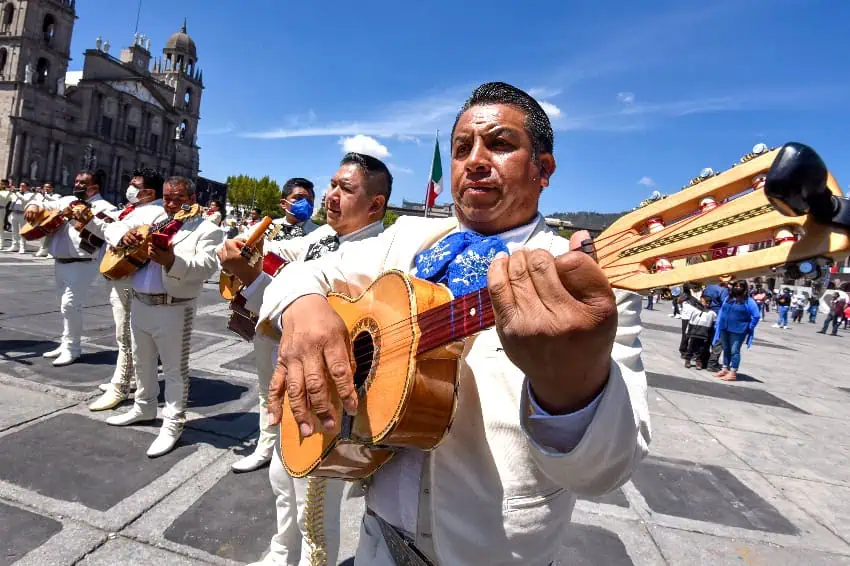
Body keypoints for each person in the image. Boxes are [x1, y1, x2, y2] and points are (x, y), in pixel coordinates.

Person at [259, 81, 650, 566]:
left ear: (543, 169)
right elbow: (301, 271)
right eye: (462, 148)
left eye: (501, 144)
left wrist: (574, 387)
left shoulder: (586, 281)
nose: (475, 160)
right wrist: (304, 309)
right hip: (376, 538)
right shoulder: (410, 238)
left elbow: (608, 470)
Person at [220, 154, 391, 566]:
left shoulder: (375, 253)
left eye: (345, 189)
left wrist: (253, 277)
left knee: (314, 502)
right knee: (282, 477)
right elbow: (280, 253)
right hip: (295, 378)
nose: (330, 196)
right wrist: (245, 250)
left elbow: (319, 314)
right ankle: (281, 553)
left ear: (375, 206)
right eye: (331, 185)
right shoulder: (321, 239)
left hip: (329, 393)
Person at [105, 177, 224, 457]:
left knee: (174, 371)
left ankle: (173, 424)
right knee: (141, 362)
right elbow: (114, 224)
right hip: (140, 302)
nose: (171, 204)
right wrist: (124, 237)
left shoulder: (207, 229)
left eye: (178, 198)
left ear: (192, 199)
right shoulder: (154, 216)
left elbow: (206, 267)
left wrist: (171, 261)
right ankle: (143, 407)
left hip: (174, 307)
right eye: (167, 197)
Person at [87, 169, 166, 411]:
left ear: (149, 192)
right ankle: (128, 378)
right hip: (123, 275)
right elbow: (111, 231)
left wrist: (118, 232)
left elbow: (127, 235)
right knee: (125, 334)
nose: (130, 188)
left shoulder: (156, 212)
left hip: (132, 279)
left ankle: (120, 386)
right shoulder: (133, 211)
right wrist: (89, 222)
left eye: (135, 184)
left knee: (126, 335)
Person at [24, 171, 117, 365]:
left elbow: (105, 236)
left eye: (82, 182)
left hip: (83, 262)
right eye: (76, 181)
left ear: (94, 187)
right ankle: (65, 343)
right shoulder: (67, 200)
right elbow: (45, 204)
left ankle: (73, 348)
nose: (77, 185)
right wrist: (33, 205)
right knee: (64, 305)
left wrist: (83, 221)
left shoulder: (105, 208)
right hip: (61, 260)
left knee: (70, 304)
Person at [713, 280, 761, 381]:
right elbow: (722, 311)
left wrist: (749, 327)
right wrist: (718, 323)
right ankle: (725, 368)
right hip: (724, 327)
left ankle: (733, 372)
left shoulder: (749, 301)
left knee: (734, 350)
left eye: (740, 286)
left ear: (744, 289)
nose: (737, 288)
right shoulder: (728, 298)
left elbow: (756, 316)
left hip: (738, 330)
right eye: (736, 286)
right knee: (726, 348)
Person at [701, 274, 732, 371]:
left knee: (706, 339)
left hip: (706, 314)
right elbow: (725, 304)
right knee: (718, 341)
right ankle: (712, 363)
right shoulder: (724, 290)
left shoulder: (708, 287)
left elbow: (702, 299)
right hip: (718, 316)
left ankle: (703, 360)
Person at [684, 294, 717, 370]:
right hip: (694, 332)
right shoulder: (695, 311)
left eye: (709, 302)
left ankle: (699, 360)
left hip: (704, 333)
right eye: (706, 302)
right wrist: (688, 332)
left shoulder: (712, 313)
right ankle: (687, 359)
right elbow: (690, 321)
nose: (707, 304)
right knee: (691, 347)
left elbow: (714, 323)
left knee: (701, 348)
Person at [6, 180, 35, 253]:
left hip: (23, 214)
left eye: (23, 186)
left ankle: (22, 247)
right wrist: (9, 192)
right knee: (14, 231)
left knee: (22, 232)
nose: (21, 187)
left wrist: (17, 193)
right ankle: (14, 245)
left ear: (27, 187)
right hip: (14, 213)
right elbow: (7, 199)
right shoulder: (16, 193)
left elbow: (25, 201)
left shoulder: (30, 194)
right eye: (20, 186)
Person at [34, 183, 59, 258]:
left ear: (52, 189)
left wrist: (45, 195)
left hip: (51, 216)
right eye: (45, 187)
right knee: (42, 234)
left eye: (48, 187)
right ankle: (43, 249)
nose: (46, 189)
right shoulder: (39, 195)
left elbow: (55, 201)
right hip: (41, 216)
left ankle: (51, 251)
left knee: (51, 234)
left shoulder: (56, 195)